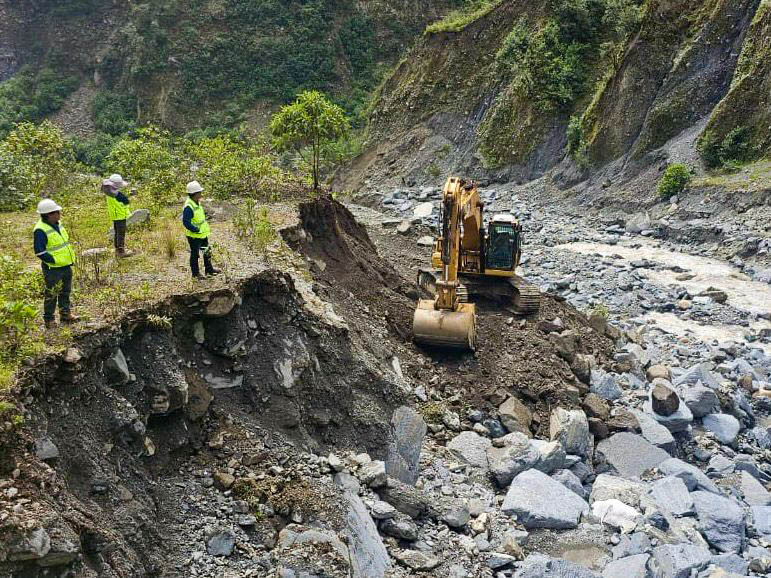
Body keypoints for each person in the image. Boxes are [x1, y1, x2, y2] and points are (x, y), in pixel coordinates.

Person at [33, 199, 78, 329]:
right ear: (49, 214)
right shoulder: (40, 230)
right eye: (57, 212)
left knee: (65, 291)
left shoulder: (58, 224)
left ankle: (65, 314)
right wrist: (54, 261)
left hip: (65, 265)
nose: (59, 214)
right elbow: (39, 252)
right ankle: (49, 319)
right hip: (53, 268)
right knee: (52, 294)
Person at [182, 181, 219, 279]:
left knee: (207, 251)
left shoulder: (196, 202)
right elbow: (186, 222)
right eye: (200, 192)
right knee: (195, 255)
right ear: (195, 194)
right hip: (194, 236)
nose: (201, 194)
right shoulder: (189, 207)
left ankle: (209, 270)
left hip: (202, 234)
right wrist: (195, 229)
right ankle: (195, 274)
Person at [103, 173, 135, 257]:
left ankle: (118, 249)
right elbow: (124, 200)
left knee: (117, 232)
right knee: (120, 233)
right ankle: (121, 252)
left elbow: (121, 198)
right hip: (119, 216)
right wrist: (129, 196)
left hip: (116, 216)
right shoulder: (114, 194)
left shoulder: (109, 191)